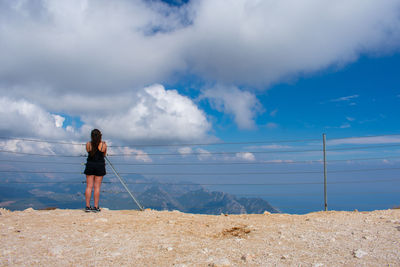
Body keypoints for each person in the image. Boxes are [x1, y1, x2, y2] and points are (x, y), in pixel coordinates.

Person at [83, 129, 107, 212]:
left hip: (90, 165)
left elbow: (88, 152)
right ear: (100, 136)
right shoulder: (103, 145)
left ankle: (87, 206)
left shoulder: (88, 144)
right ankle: (96, 207)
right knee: (97, 187)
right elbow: (104, 154)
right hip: (99, 165)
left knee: (89, 186)